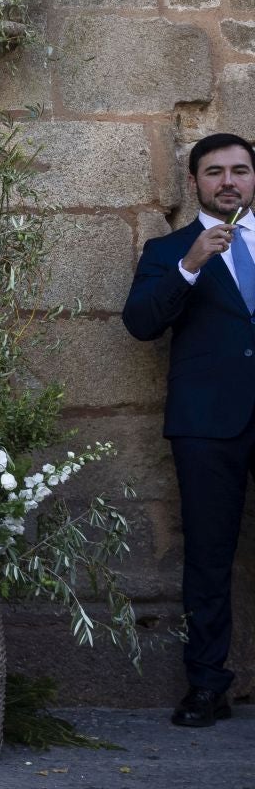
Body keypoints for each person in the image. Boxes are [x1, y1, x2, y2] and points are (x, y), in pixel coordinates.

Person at [123, 132, 255, 728]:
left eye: (240, 171)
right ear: (195, 182)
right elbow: (141, 323)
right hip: (207, 426)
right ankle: (207, 686)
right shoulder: (168, 248)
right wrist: (191, 265)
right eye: (215, 172)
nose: (229, 181)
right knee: (207, 558)